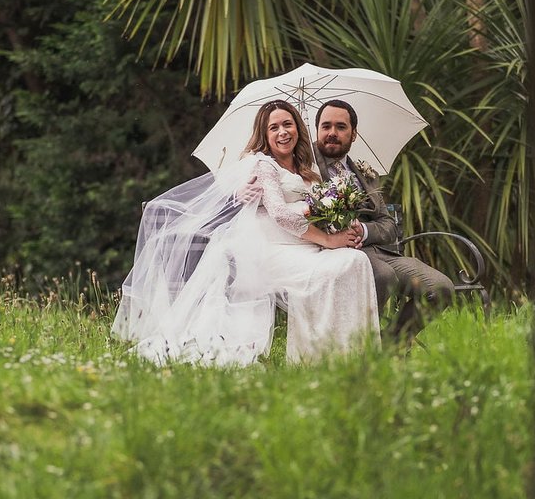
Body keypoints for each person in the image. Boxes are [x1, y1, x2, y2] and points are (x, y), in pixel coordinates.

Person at [113, 100, 379, 366]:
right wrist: (329, 239)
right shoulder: (264, 166)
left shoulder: (307, 170)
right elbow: (279, 214)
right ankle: (311, 356)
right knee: (332, 270)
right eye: (273, 127)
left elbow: (318, 213)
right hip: (275, 251)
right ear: (264, 135)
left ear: (298, 128)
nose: (282, 132)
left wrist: (342, 227)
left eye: (287, 124)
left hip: (309, 247)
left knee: (355, 261)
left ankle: (352, 352)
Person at [312, 99, 455, 343]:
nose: (332, 133)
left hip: (380, 252)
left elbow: (388, 226)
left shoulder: (366, 173)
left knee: (440, 288)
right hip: (336, 254)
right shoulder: (307, 166)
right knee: (382, 275)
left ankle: (391, 345)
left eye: (340, 127)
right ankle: (360, 347)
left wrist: (364, 230)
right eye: (326, 126)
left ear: (354, 134)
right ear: (317, 131)